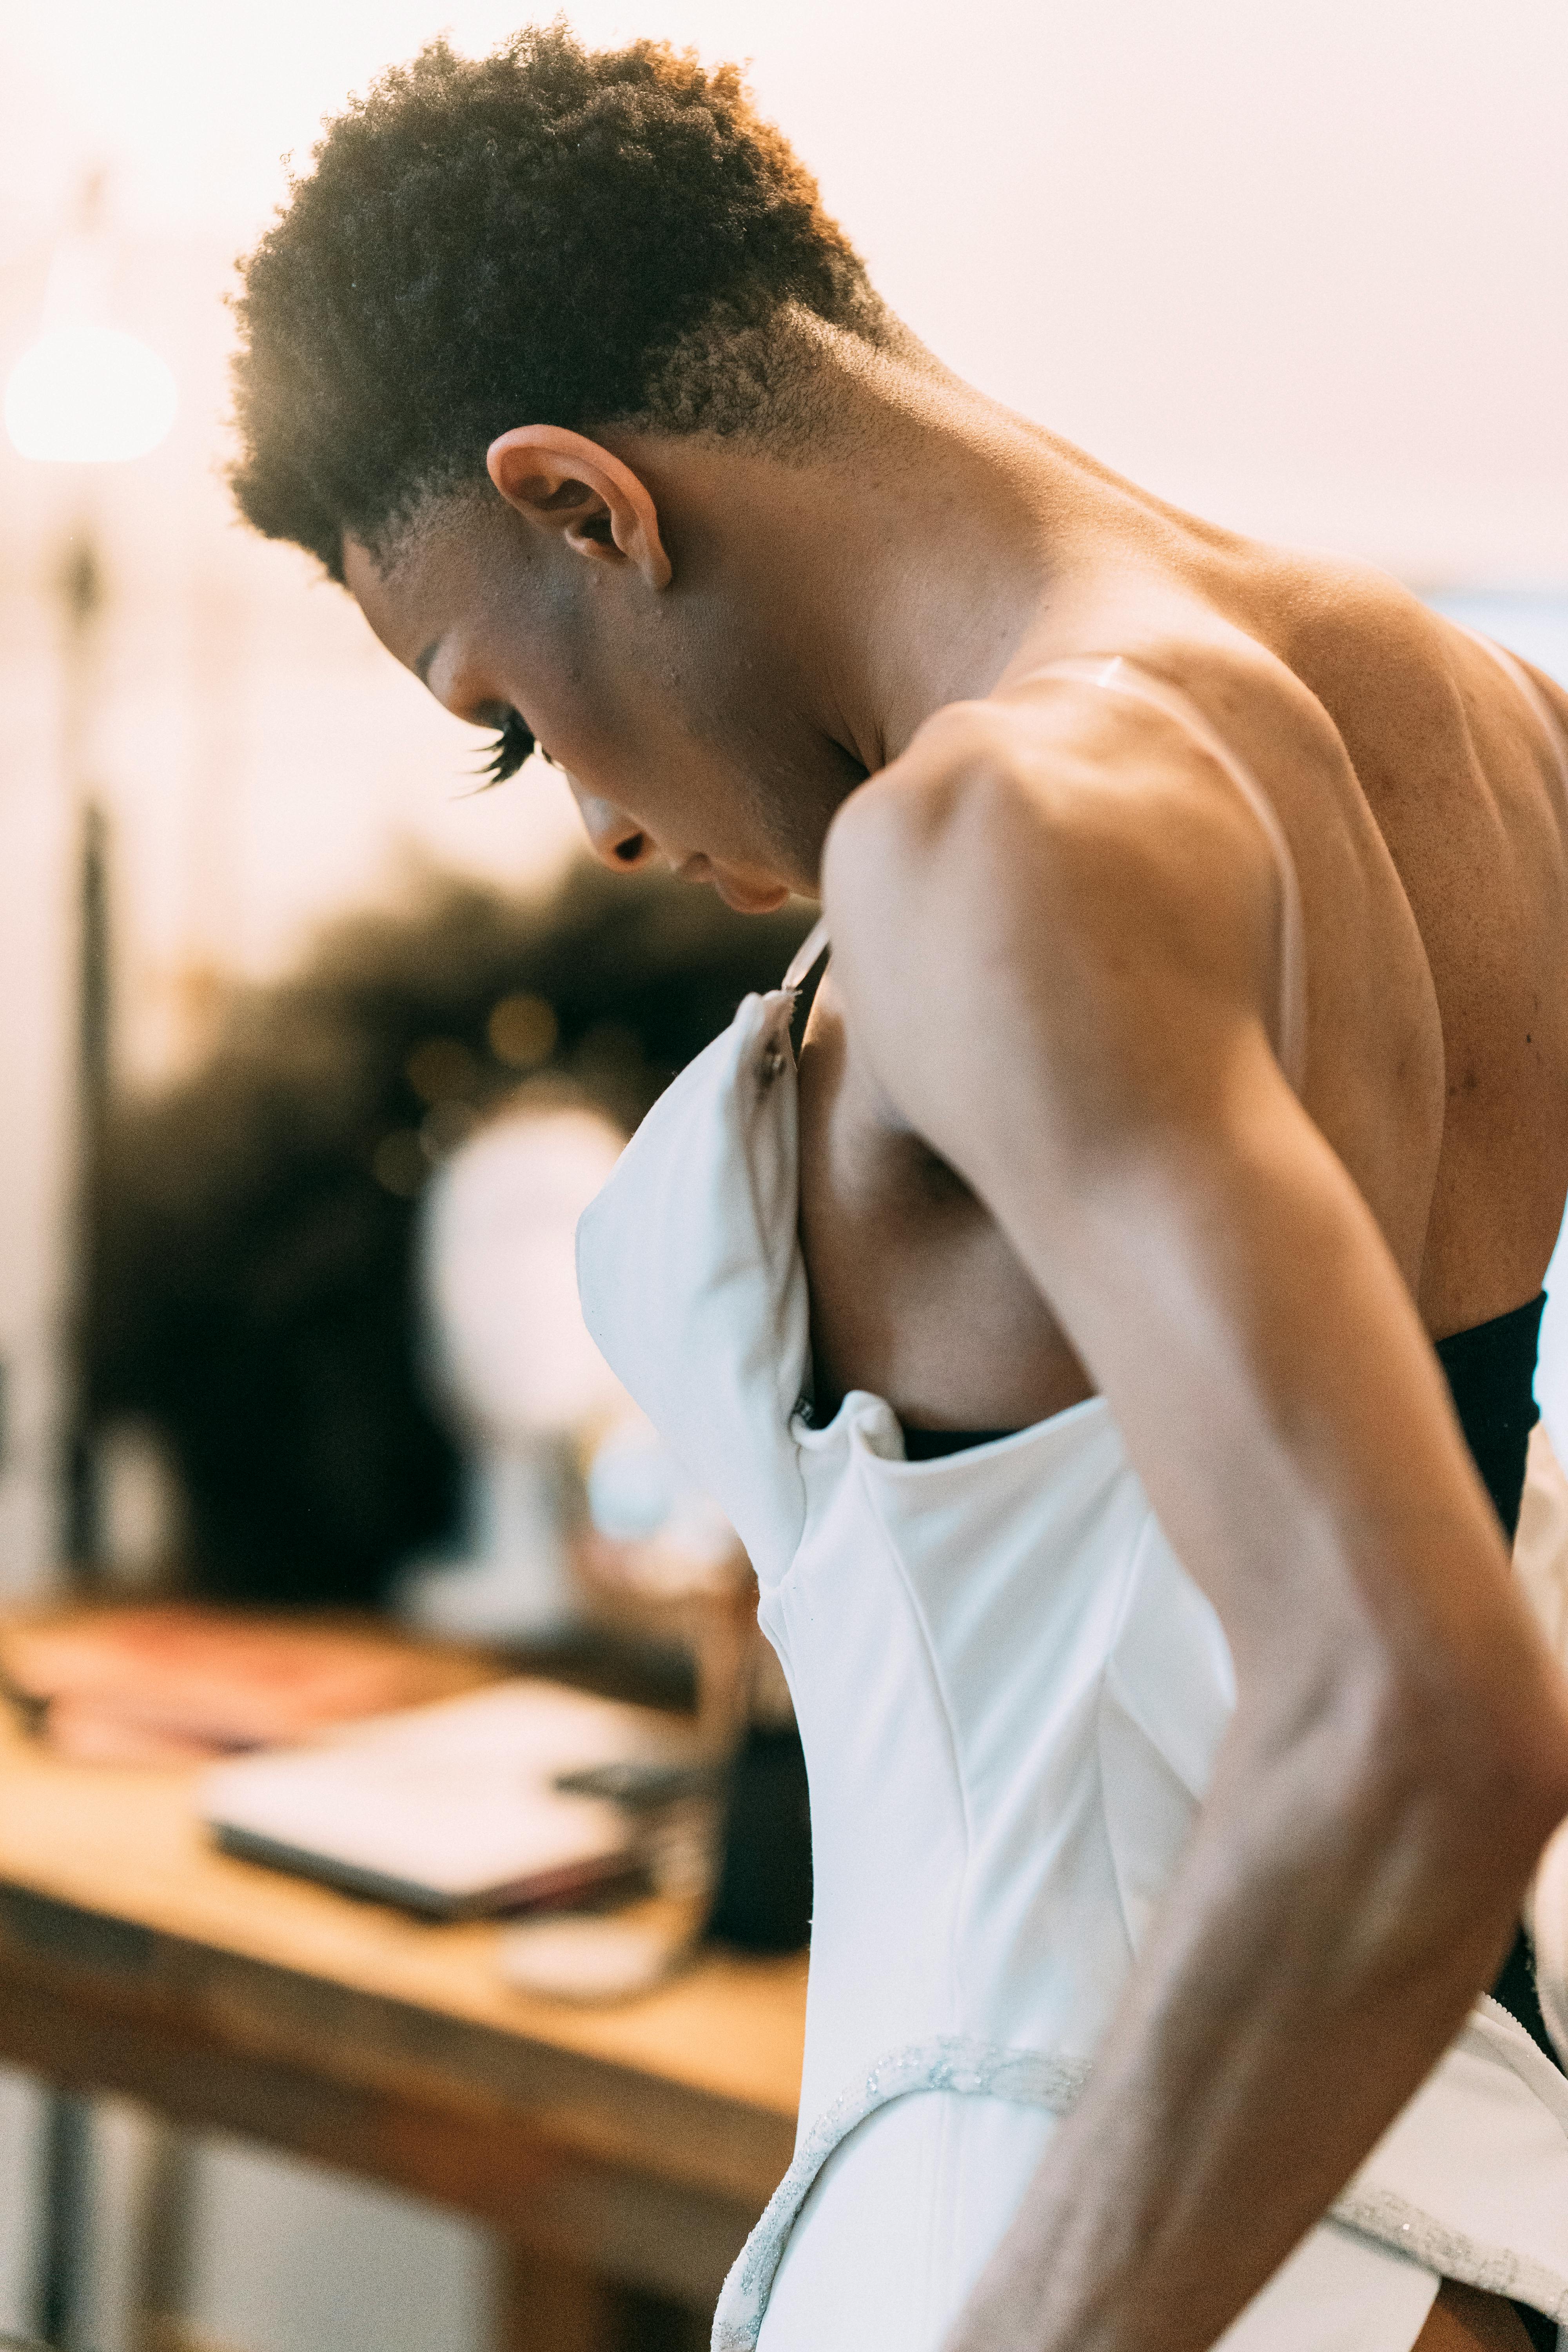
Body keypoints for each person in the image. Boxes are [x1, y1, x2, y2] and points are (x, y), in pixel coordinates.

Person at [227, 28, 1568, 2350]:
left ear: (582, 501)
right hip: (1476, 2232)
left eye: (507, 722)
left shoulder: (991, 839)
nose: (605, 833)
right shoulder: (1482, 723)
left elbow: (1417, 1715)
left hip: (1072, 2247)